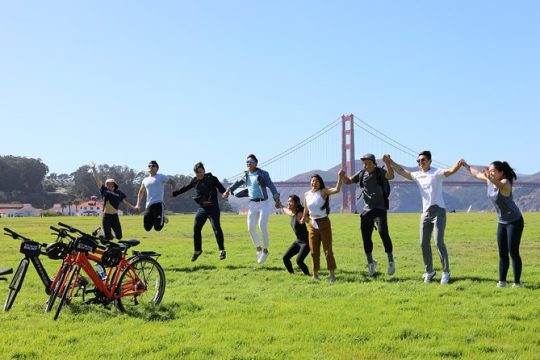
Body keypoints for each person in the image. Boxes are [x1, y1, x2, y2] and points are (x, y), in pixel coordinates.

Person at [386, 151, 464, 284]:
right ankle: (430, 271)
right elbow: (401, 171)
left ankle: (446, 272)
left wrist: (459, 164)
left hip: (438, 211)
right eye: (418, 161)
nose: (420, 163)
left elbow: (450, 171)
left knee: (439, 242)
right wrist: (390, 161)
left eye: (423, 160)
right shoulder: (417, 175)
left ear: (429, 161)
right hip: (425, 213)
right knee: (423, 243)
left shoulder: (437, 173)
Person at [463, 160, 525, 288]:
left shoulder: (505, 182)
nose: (490, 173)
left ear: (501, 173)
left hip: (514, 221)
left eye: (493, 171)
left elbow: (501, 187)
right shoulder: (489, 180)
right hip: (502, 222)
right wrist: (466, 166)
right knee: (502, 253)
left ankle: (517, 283)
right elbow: (476, 174)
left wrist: (491, 179)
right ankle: (502, 282)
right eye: (489, 170)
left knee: (513, 252)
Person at [342, 153, 395, 277]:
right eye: (365, 163)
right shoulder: (362, 174)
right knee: (366, 238)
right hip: (367, 211)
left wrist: (388, 163)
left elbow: (391, 175)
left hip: (380, 209)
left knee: (383, 233)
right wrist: (342, 176)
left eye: (369, 163)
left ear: (374, 163)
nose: (367, 165)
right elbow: (348, 181)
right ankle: (371, 263)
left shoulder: (380, 172)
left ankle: (391, 261)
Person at [224, 154, 282, 264]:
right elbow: (236, 183)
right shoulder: (245, 175)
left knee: (261, 225)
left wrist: (277, 199)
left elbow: (271, 186)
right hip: (252, 204)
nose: (248, 164)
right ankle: (258, 248)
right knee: (250, 228)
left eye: (250, 162)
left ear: (256, 163)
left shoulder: (263, 174)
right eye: (247, 162)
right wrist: (228, 191)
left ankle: (265, 250)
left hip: (263, 203)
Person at [172, 162, 228, 261]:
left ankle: (222, 250)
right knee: (196, 228)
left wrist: (224, 194)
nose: (199, 174)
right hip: (202, 208)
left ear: (204, 171)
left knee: (216, 228)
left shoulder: (212, 179)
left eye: (200, 172)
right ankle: (197, 250)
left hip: (213, 208)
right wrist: (175, 193)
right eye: (197, 172)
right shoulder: (195, 181)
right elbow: (185, 188)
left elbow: (222, 189)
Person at [300, 171, 345, 282]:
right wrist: (303, 217)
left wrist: (340, 177)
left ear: (320, 183)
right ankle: (315, 276)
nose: (314, 183)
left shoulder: (323, 192)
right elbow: (306, 208)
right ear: (310, 183)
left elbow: (336, 190)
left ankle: (332, 275)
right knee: (314, 251)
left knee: (328, 250)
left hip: (324, 222)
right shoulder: (306, 194)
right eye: (313, 181)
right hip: (312, 223)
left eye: (317, 181)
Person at [90, 162, 137, 240]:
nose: (110, 185)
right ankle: (100, 232)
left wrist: (134, 208)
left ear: (114, 184)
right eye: (108, 184)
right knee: (108, 238)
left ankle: (102, 232)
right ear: (106, 185)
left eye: (111, 184)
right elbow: (98, 180)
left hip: (115, 216)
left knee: (119, 236)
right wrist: (94, 169)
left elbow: (125, 202)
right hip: (106, 216)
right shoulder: (104, 190)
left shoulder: (119, 193)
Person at [135, 160, 175, 232]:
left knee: (157, 228)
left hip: (158, 204)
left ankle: (161, 217)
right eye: (149, 166)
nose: (151, 167)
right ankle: (160, 217)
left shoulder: (160, 176)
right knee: (147, 228)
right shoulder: (145, 180)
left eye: (153, 166)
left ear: (157, 168)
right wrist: (138, 204)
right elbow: (141, 192)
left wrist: (172, 191)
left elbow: (172, 182)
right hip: (148, 206)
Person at [281, 195, 310, 276]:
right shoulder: (293, 213)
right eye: (288, 201)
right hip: (298, 241)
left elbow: (311, 223)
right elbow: (287, 211)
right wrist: (281, 205)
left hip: (306, 242)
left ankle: (308, 275)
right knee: (285, 257)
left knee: (299, 261)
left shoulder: (300, 214)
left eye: (290, 201)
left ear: (296, 203)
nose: (288, 203)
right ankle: (292, 274)